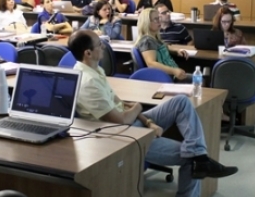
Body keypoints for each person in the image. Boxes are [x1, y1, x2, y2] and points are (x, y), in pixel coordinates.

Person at [68, 30, 238, 197]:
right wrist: (138, 108)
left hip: (131, 123)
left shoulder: (95, 70)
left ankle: (200, 156)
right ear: (88, 53)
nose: (104, 47)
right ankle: (199, 159)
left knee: (181, 101)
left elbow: (122, 105)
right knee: (190, 158)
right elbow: (121, 119)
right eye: (100, 45)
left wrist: (148, 121)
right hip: (122, 137)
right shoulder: (88, 82)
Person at [135, 8, 190, 82]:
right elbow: (151, 64)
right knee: (200, 80)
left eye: (159, 18)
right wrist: (174, 71)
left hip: (171, 74)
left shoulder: (154, 37)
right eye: (155, 19)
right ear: (147, 22)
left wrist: (176, 52)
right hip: (166, 78)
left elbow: (160, 51)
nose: (159, 21)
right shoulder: (147, 41)